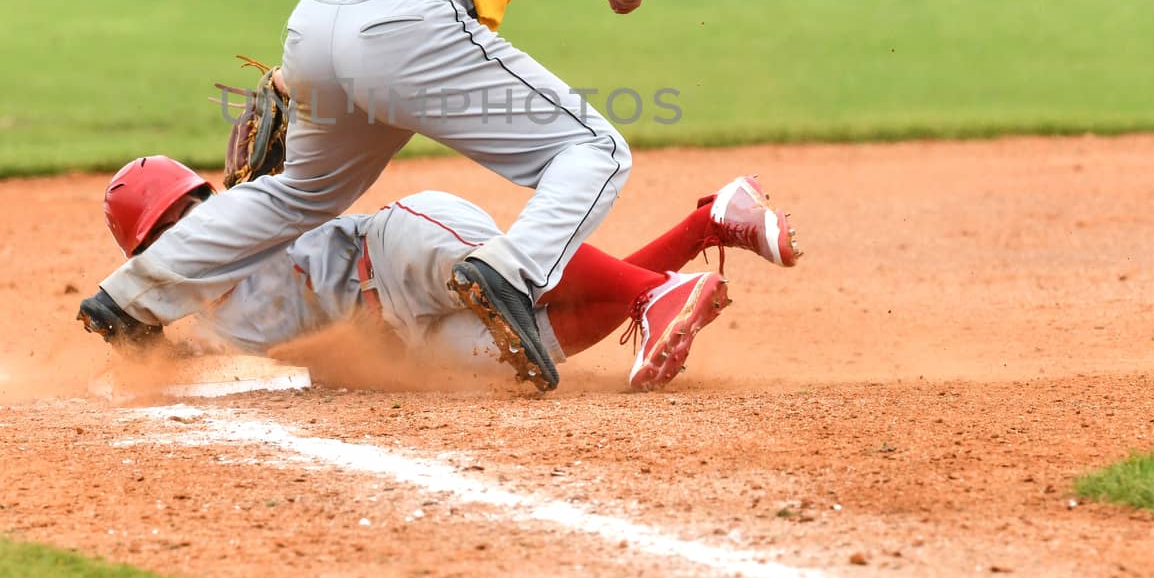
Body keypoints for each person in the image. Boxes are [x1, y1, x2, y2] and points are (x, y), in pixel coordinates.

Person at [77, 0, 651, 394]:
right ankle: (509, 273)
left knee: (301, 192)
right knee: (595, 149)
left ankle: (129, 300)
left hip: (320, 22)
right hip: (404, 26)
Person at [83, 154, 800, 391]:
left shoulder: (255, 205)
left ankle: (655, 295)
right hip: (402, 339)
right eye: (167, 231)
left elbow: (310, 127)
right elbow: (171, 373)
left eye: (192, 208)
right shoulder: (205, 326)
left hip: (398, 248)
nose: (190, 229)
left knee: (514, 277)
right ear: (143, 262)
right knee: (551, 336)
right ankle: (711, 224)